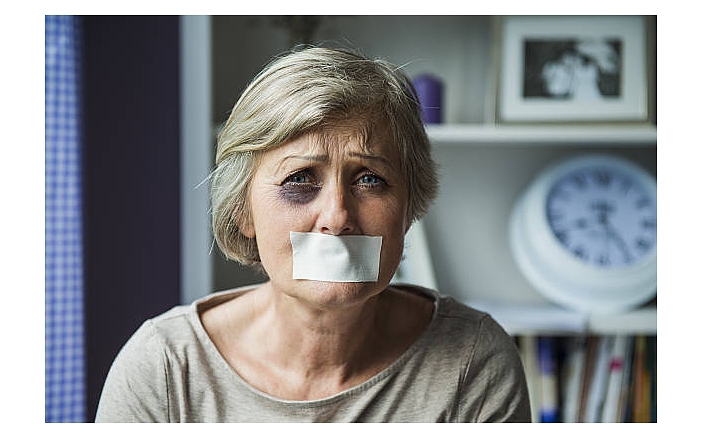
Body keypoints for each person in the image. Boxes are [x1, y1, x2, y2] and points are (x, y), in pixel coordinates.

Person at [95, 46, 531, 423]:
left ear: (409, 207)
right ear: (243, 211)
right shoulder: (166, 367)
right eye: (300, 178)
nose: (337, 215)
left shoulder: (475, 362)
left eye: (369, 179)